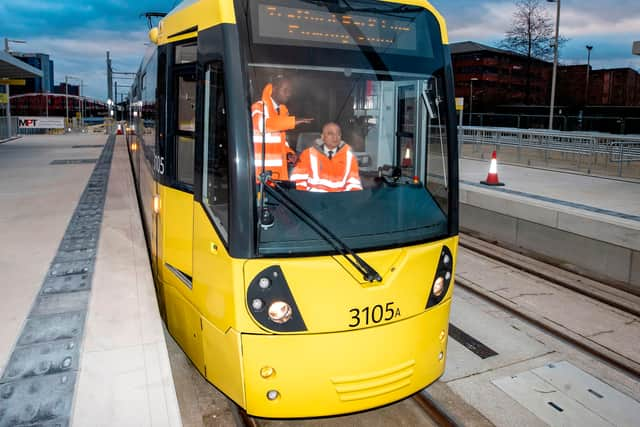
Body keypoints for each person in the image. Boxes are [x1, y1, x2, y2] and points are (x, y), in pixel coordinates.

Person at [252, 76, 313, 180]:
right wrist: (293, 121)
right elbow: (264, 125)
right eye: (285, 90)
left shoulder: (281, 112)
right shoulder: (258, 107)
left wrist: (289, 154)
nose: (289, 93)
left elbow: (280, 142)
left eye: (290, 91)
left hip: (276, 177)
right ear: (274, 89)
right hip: (260, 178)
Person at [290, 122, 362, 192]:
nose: (335, 137)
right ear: (322, 136)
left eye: (338, 134)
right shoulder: (307, 154)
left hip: (340, 201)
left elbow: (354, 184)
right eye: (330, 133)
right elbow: (298, 182)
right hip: (314, 201)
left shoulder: (349, 156)